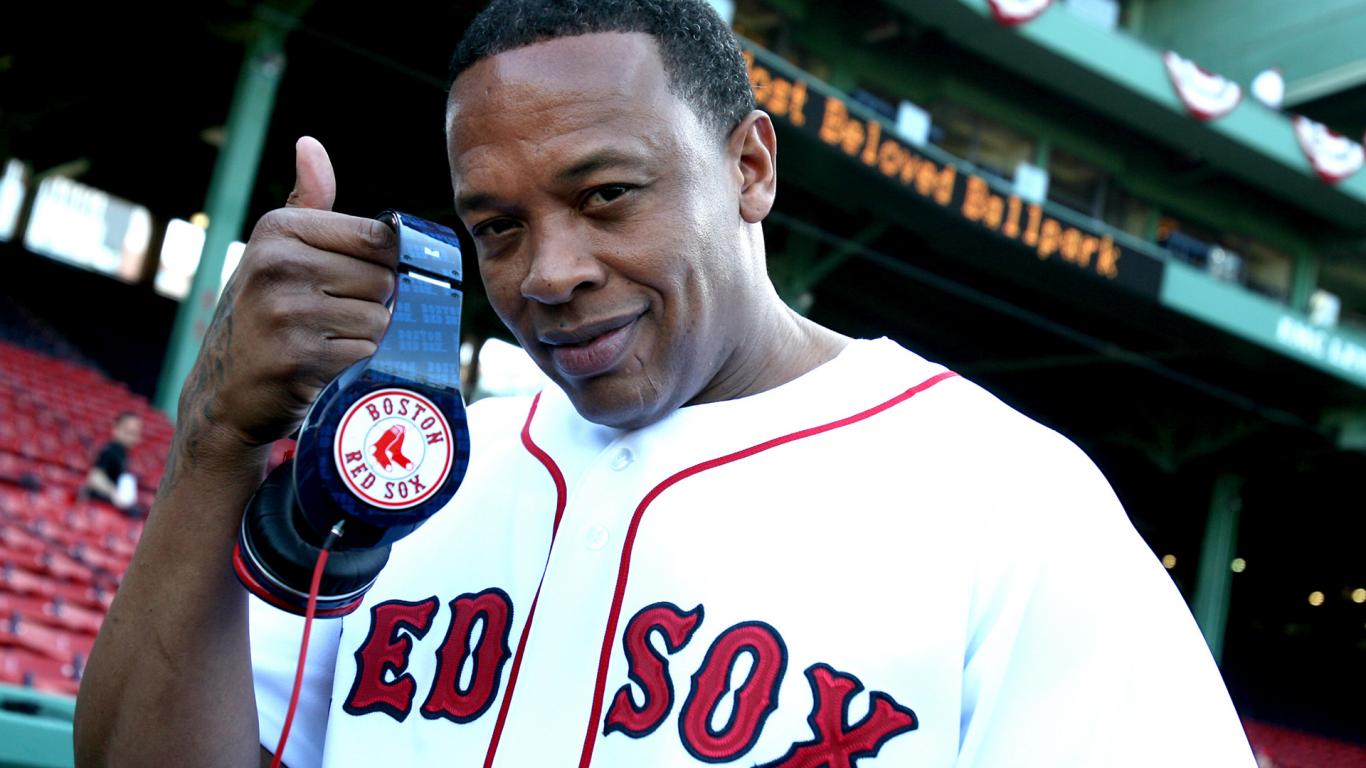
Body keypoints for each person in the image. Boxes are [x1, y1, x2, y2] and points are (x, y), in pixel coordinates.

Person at [74, 2, 1257, 766]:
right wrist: (216, 445)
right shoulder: (422, 470)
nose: (549, 273)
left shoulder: (1012, 504)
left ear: (749, 167)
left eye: (607, 196)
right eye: (497, 226)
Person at [79, 411, 143, 517]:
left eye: (135, 433)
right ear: (116, 429)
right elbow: (95, 477)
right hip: (98, 509)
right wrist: (115, 493)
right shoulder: (112, 449)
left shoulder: (123, 453)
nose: (132, 437)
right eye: (128, 432)